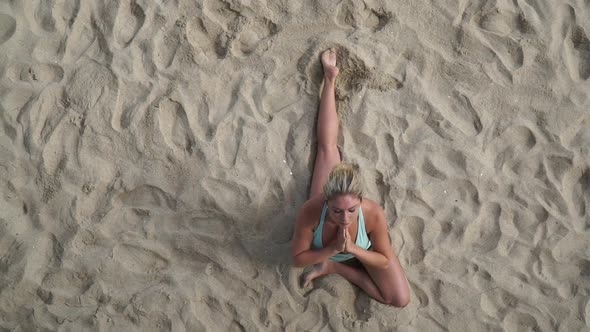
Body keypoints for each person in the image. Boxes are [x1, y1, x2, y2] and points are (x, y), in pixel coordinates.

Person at [291, 48, 410, 307]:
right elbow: (298, 258)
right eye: (336, 210)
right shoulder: (313, 209)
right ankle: (331, 79)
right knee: (327, 148)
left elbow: (384, 259)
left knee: (399, 299)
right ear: (326, 200)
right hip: (329, 249)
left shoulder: (372, 213)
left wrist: (352, 251)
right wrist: (331, 250)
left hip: (360, 254)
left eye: (351, 210)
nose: (344, 217)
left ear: (360, 201)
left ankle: (336, 269)